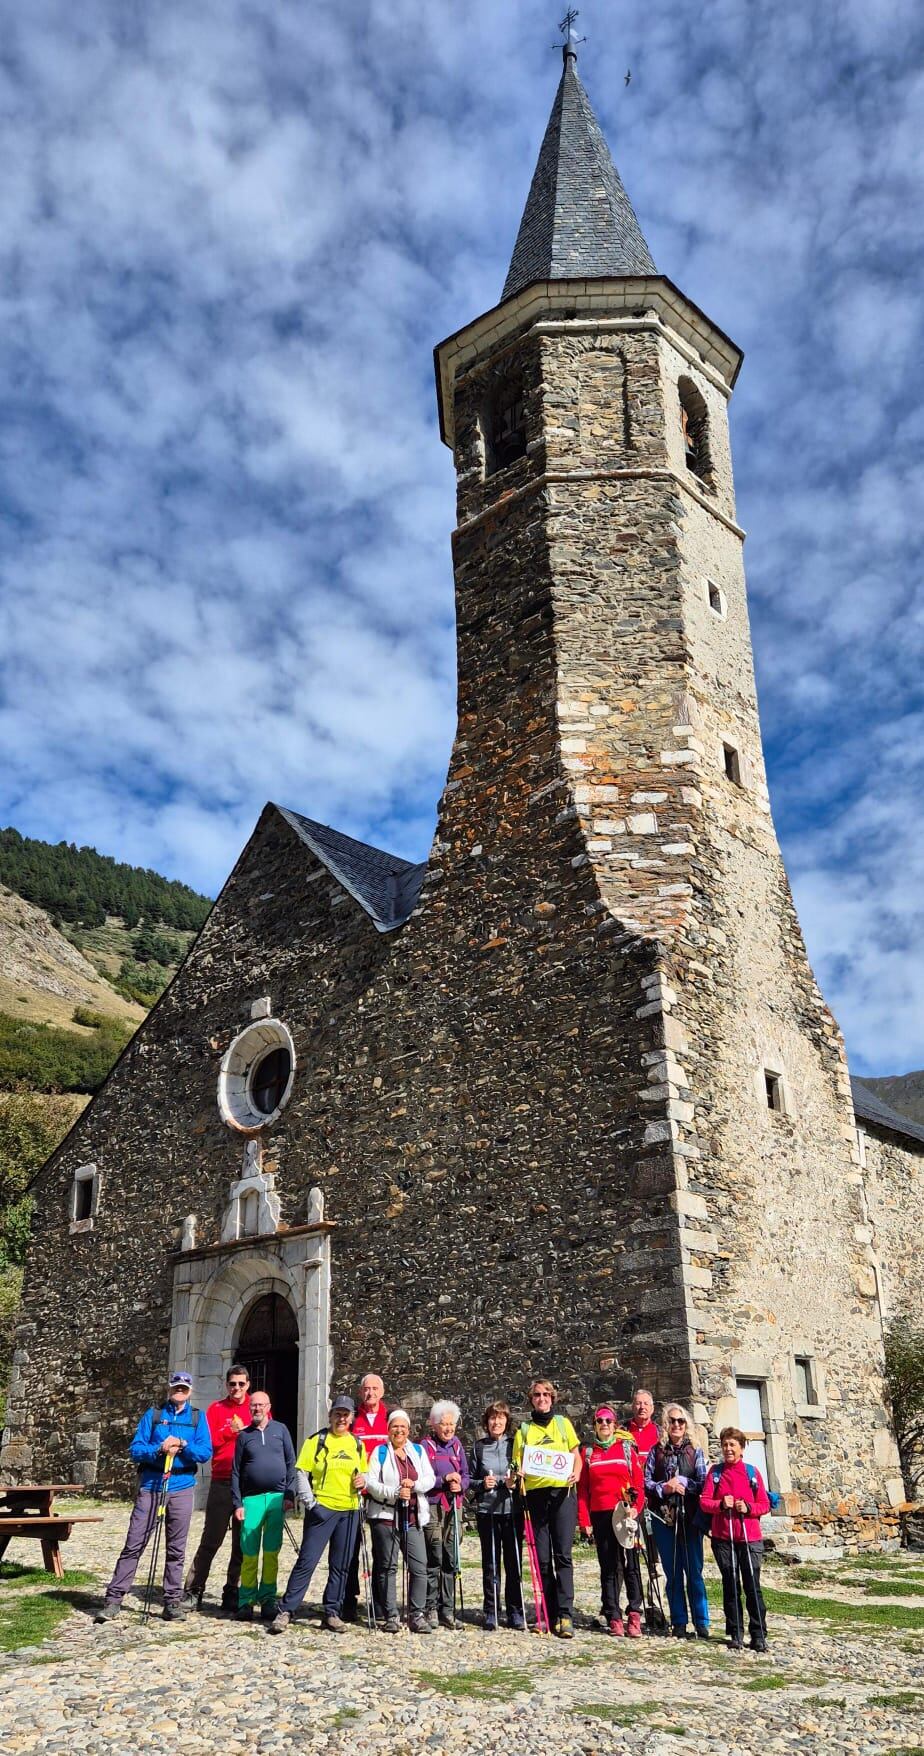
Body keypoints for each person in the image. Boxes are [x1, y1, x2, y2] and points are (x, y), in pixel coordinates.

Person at [94, 1369, 212, 1623]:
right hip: (152, 1485)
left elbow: (204, 1452)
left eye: (184, 1388)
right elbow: (136, 1449)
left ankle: (172, 1602)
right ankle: (113, 1600)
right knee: (134, 1543)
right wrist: (159, 1448)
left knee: (176, 1548)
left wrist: (183, 1445)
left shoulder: (197, 1417)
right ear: (169, 1388)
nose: (179, 1391)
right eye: (176, 1387)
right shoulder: (154, 1415)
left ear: (190, 1391)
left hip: (182, 1486)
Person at [268, 1395, 368, 1634]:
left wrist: (362, 1481)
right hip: (322, 1509)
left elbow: (364, 1473)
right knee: (307, 1561)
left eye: (345, 1415)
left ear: (351, 1418)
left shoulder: (357, 1444)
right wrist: (311, 1504)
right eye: (337, 1414)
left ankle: (332, 1611)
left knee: (341, 1565)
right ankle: (286, 1610)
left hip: (350, 1510)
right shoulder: (316, 1441)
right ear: (330, 1416)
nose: (341, 1418)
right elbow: (301, 1472)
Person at [510, 1378, 581, 1639]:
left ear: (552, 1398)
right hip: (536, 1497)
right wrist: (518, 1473)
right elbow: (516, 1465)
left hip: (562, 1494)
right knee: (542, 1559)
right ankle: (549, 1614)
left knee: (563, 1555)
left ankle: (565, 1614)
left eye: (546, 1394)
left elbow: (576, 1456)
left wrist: (576, 1473)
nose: (542, 1398)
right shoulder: (524, 1430)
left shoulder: (563, 1424)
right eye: (537, 1395)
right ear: (531, 1399)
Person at [183, 1362, 251, 1612]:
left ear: (248, 1385)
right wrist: (229, 1432)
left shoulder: (256, 1407)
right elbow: (207, 1443)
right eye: (232, 1384)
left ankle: (233, 1590)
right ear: (226, 1385)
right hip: (222, 1480)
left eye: (241, 1384)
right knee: (211, 1538)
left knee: (242, 1542)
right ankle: (193, 1589)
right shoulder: (216, 1409)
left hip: (247, 1484)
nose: (236, 1388)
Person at [700, 1425, 770, 1652]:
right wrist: (721, 1504)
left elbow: (764, 1504)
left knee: (752, 1586)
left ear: (741, 1448)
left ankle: (758, 1634)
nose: (728, 1449)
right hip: (724, 1537)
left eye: (732, 1445)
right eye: (725, 1445)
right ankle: (736, 1633)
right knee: (730, 1586)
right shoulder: (715, 1473)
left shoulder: (752, 1473)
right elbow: (705, 1502)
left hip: (749, 1538)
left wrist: (748, 1508)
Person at [365, 1408, 436, 1634]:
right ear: (388, 1429)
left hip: (413, 1518)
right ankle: (391, 1615)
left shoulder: (418, 1451)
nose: (399, 1430)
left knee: (419, 1566)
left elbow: (430, 1478)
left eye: (403, 1426)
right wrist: (395, 1492)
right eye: (395, 1426)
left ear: (409, 1429)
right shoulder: (380, 1452)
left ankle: (417, 1614)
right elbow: (370, 1483)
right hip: (386, 1517)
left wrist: (413, 1485)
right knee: (388, 1567)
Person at [577, 1406, 645, 1637]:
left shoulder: (626, 1450)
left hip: (625, 1514)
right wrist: (584, 1520)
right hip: (601, 1515)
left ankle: (634, 1613)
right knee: (609, 1566)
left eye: (608, 1420)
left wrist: (635, 1508)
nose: (604, 1424)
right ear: (595, 1425)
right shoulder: (588, 1453)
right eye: (600, 1421)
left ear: (615, 1424)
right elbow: (583, 1490)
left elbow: (638, 1484)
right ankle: (613, 1615)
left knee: (631, 1565)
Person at [644, 1402, 710, 1640]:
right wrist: (665, 1487)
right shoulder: (656, 1452)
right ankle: (679, 1621)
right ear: (665, 1424)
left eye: (681, 1421)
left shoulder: (695, 1451)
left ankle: (701, 1622)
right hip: (664, 1518)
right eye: (672, 1421)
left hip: (690, 1518)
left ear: (686, 1424)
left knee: (694, 1572)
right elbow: (646, 1482)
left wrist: (684, 1484)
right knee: (672, 1573)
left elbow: (703, 1483)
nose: (676, 1425)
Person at [231, 1390, 296, 1620]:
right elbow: (236, 1471)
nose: (257, 1408)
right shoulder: (244, 1436)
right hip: (251, 1500)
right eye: (253, 1405)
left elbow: (291, 1463)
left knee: (271, 1552)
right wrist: (237, 1503)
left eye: (261, 1405)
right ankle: (246, 1600)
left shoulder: (281, 1430)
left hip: (277, 1499)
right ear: (249, 1408)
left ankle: (268, 1598)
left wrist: (290, 1494)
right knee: (249, 1553)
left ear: (268, 1407)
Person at [469, 1400, 524, 1631]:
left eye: (500, 1417)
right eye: (493, 1418)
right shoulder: (479, 1447)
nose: (496, 1422)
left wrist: (516, 1481)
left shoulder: (515, 1444)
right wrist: (483, 1483)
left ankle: (515, 1612)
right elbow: (469, 1479)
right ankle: (491, 1610)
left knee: (514, 1563)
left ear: (507, 1421)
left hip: (512, 1511)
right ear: (487, 1422)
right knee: (491, 1563)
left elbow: (524, 1473)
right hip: (488, 1512)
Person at [343, 1372, 390, 1624]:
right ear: (360, 1392)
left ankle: (380, 1603)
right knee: (351, 1548)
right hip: (357, 1493)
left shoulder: (390, 1417)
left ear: (382, 1392)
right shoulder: (353, 1418)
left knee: (382, 1550)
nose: (370, 1393)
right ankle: (348, 1601)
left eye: (374, 1388)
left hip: (381, 1494)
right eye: (366, 1389)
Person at [423, 1400, 470, 1630]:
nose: (449, 1428)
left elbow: (466, 1475)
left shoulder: (457, 1445)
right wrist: (444, 1480)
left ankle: (448, 1610)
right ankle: (430, 1607)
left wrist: (461, 1484)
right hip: (433, 1506)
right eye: (444, 1424)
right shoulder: (426, 1446)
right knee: (434, 1556)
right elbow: (422, 1478)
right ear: (434, 1424)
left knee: (451, 1558)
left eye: (452, 1424)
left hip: (454, 1506)